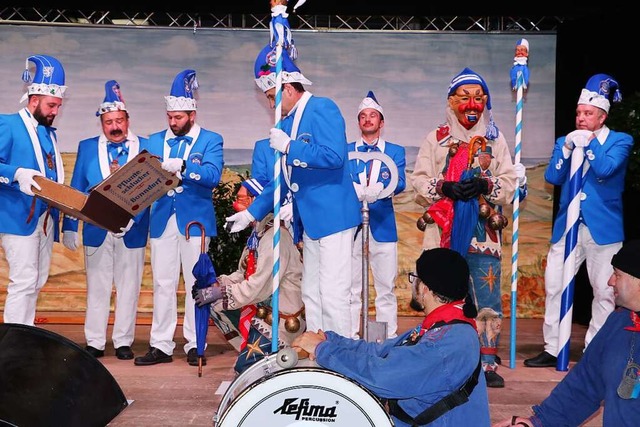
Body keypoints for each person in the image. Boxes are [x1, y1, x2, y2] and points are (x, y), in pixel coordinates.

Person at [225, 44, 361, 337]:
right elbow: (283, 180)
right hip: (308, 220)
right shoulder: (287, 122)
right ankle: (319, 347)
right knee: (311, 291)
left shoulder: (322, 107)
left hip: (333, 216)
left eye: (272, 98)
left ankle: (342, 353)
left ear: (288, 88)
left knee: (334, 292)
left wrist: (290, 147)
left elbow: (334, 156)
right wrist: (251, 213)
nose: (271, 106)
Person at [410, 67, 523, 388]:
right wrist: (445, 188)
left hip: (483, 231)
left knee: (485, 295)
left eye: (478, 98)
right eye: (464, 98)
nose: (472, 104)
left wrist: (485, 185)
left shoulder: (494, 139)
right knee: (441, 294)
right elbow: (417, 181)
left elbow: (511, 183)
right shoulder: (436, 138)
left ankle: (486, 362)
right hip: (443, 229)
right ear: (451, 101)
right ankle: (440, 355)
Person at [292, 247, 491, 427]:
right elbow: (380, 351)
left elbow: (382, 376)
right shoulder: (443, 327)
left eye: (415, 278)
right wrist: (329, 340)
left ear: (425, 288)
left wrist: (323, 350)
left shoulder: (450, 342)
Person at [524, 73, 634, 369]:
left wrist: (590, 143)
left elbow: (606, 168)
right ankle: (552, 346)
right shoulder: (566, 140)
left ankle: (594, 351)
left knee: (604, 290)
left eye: (587, 114)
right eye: (578, 113)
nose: (581, 118)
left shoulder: (620, 141)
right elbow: (552, 176)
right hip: (567, 228)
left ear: (602, 116)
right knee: (555, 286)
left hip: (603, 229)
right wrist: (569, 148)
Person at [494, 240, 640, 427]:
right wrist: (539, 423)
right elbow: (585, 384)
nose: (610, 281)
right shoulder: (619, 322)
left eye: (617, 275)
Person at [134, 69, 224, 367]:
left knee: (196, 283)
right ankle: (160, 345)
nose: (173, 123)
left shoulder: (211, 140)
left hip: (195, 221)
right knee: (162, 283)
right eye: (170, 117)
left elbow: (212, 176)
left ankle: (195, 343)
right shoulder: (154, 140)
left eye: (179, 117)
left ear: (192, 115)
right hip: (162, 219)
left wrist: (184, 166)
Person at [61, 80, 148, 360]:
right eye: (108, 121)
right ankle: (95, 342)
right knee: (97, 287)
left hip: (132, 230)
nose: (114, 126)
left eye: (119, 120)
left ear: (127, 119)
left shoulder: (145, 147)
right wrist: (70, 226)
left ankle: (123, 341)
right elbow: (75, 188)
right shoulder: (86, 147)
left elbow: (151, 190)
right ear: (101, 123)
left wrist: (134, 219)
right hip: (97, 229)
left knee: (129, 287)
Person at [193, 177, 305, 374]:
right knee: (215, 305)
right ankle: (251, 349)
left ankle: (275, 353)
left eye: (243, 199)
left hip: (281, 317)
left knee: (247, 370)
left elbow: (259, 286)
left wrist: (220, 292)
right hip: (263, 308)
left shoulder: (275, 238)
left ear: (257, 201)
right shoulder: (258, 235)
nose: (237, 204)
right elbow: (243, 274)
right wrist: (215, 284)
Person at [0, 54, 67, 326]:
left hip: (45, 221)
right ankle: (13, 347)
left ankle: (25, 337)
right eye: (51, 105)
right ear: (34, 100)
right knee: (24, 281)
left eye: (58, 106)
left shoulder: (49, 133)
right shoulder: (7, 123)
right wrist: (16, 173)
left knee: (36, 281)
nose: (55, 111)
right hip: (17, 219)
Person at [348, 90, 406, 339]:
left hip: (383, 226)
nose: (368, 119)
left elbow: (400, 181)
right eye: (363, 116)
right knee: (351, 288)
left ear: (381, 122)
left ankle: (387, 338)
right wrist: (355, 190)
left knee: (385, 287)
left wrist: (381, 189)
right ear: (359, 122)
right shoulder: (346, 151)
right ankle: (349, 336)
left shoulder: (395, 151)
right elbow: (340, 182)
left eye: (373, 115)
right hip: (352, 228)